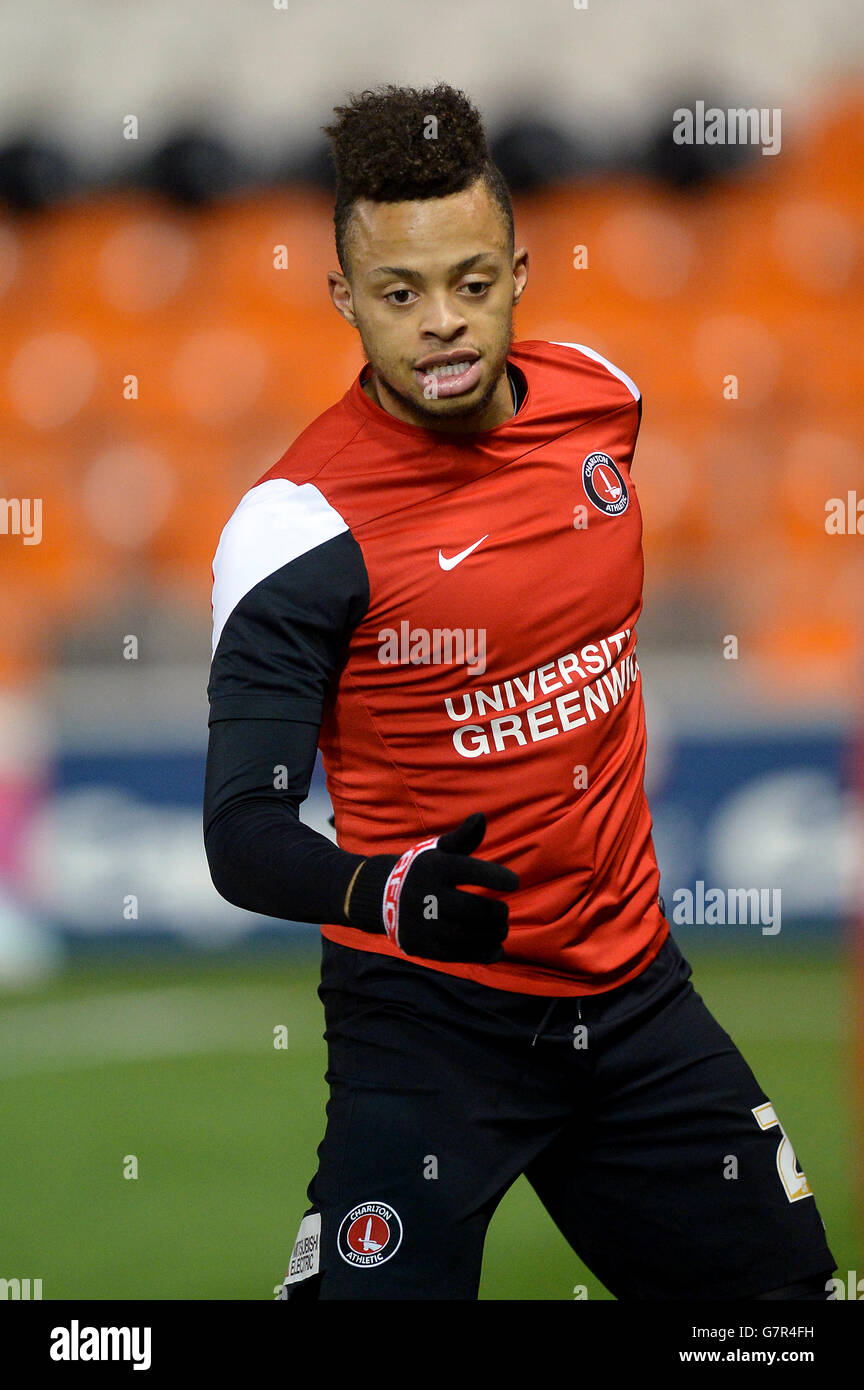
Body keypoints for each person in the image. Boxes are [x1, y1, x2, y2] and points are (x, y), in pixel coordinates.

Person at [203, 83, 835, 1300]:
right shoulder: (296, 531)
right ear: (344, 298)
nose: (441, 322)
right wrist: (387, 892)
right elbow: (242, 833)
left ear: (520, 271)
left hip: (634, 998)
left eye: (473, 282)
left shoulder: (603, 401)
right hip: (427, 1019)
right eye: (400, 294)